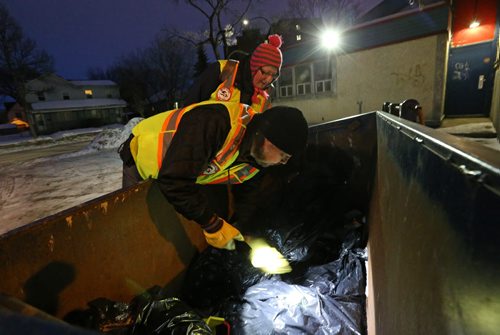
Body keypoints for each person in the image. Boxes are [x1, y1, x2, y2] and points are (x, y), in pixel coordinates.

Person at [119, 100, 308, 251]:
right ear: (265, 138)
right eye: (283, 155)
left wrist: (246, 231)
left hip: (179, 175)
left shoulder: (256, 158)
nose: (283, 162)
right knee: (137, 232)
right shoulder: (215, 122)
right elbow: (175, 181)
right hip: (141, 161)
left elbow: (247, 194)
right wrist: (211, 223)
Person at [183, 35, 284, 113]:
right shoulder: (223, 71)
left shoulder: (265, 96)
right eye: (265, 73)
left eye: (274, 76)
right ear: (254, 66)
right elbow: (189, 108)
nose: (268, 80)